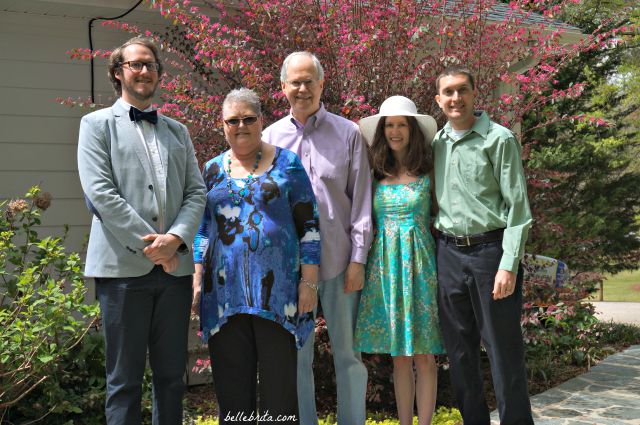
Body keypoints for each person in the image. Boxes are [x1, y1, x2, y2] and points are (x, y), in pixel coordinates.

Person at [77, 37, 206, 424]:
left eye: (150, 64)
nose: (145, 70)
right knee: (124, 381)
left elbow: (197, 191)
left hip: (174, 274)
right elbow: (100, 193)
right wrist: (154, 245)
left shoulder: (178, 132)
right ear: (119, 73)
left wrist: (176, 240)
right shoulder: (95, 125)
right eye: (135, 64)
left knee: (171, 378)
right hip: (122, 273)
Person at [191, 88, 321, 424]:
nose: (241, 125)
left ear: (261, 121)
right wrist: (195, 280)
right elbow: (203, 229)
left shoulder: (288, 164)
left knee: (280, 395)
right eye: (232, 120)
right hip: (223, 295)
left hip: (278, 296)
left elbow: (309, 226)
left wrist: (309, 282)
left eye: (249, 118)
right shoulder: (212, 170)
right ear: (222, 125)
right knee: (233, 394)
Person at [262, 51, 373, 425]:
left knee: (349, 356)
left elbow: (361, 202)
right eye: (295, 81)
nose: (302, 88)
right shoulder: (268, 139)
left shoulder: (348, 133)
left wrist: (359, 259)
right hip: (290, 271)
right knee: (297, 356)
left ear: (322, 84)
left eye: (310, 80)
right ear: (283, 88)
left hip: (341, 265)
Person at [432, 65, 534, 425]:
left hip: (491, 255)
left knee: (503, 351)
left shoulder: (499, 139)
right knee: (459, 354)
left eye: (462, 90)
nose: (455, 98)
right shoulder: (435, 144)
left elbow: (518, 210)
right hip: (447, 254)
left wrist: (509, 263)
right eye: (448, 92)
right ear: (439, 99)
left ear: (475, 94)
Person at [355, 96, 445, 425]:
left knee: (424, 355)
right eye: (389, 125)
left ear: (412, 130)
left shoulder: (430, 170)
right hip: (386, 268)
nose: (395, 131)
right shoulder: (375, 173)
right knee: (400, 358)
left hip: (421, 267)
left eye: (401, 125)